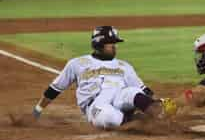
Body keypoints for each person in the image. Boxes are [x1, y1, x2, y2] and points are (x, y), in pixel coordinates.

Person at [32, 26, 177, 130]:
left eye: (115, 44)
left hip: (119, 95)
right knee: (110, 117)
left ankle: (159, 115)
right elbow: (55, 88)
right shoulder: (77, 63)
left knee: (133, 92)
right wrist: (38, 109)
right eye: (111, 43)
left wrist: (156, 101)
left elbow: (142, 89)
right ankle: (140, 120)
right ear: (99, 44)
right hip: (95, 105)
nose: (115, 47)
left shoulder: (124, 65)